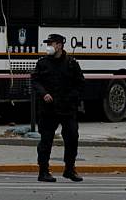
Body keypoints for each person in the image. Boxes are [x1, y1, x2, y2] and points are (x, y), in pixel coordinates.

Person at [31, 33, 85, 183]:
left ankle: (69, 169)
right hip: (49, 109)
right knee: (46, 140)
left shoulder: (71, 63)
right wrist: (44, 94)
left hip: (67, 108)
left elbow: (80, 83)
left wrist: (72, 98)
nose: (49, 46)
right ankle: (43, 171)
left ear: (60, 45)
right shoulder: (42, 63)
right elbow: (35, 81)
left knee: (72, 138)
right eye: (48, 43)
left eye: (52, 43)